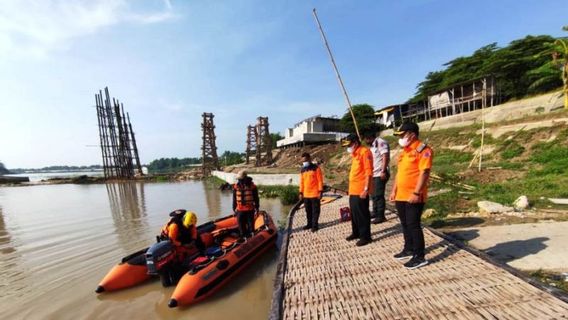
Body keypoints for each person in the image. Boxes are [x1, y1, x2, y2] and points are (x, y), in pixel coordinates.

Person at [389, 122, 433, 270]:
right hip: (401, 194)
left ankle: (419, 256)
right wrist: (393, 190)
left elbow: (424, 173)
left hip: (413, 195)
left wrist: (416, 192)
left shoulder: (423, 150)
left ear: (412, 134)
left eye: (402, 135)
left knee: (414, 225)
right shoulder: (404, 151)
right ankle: (408, 248)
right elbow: (399, 173)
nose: (400, 138)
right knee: (405, 223)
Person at [342, 133, 374, 247]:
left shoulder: (364, 152)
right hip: (353, 190)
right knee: (354, 213)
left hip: (361, 190)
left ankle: (366, 236)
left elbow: (368, 172)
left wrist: (366, 189)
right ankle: (356, 232)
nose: (348, 147)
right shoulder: (355, 154)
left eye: (349, 145)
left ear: (355, 143)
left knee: (362, 214)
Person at [362, 130, 390, 224]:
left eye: (366, 139)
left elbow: (385, 156)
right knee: (373, 195)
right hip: (374, 174)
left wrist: (383, 171)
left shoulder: (380, 142)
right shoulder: (372, 145)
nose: (365, 141)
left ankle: (381, 216)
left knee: (378, 196)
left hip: (380, 173)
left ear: (369, 137)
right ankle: (375, 212)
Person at [299, 152, 324, 232]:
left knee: (315, 211)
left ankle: (315, 225)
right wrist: (300, 192)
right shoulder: (303, 170)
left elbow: (320, 181)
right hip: (306, 195)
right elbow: (301, 183)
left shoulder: (316, 168)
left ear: (309, 159)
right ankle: (309, 224)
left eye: (305, 160)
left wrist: (320, 192)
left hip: (315, 194)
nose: (304, 162)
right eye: (303, 161)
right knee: (308, 211)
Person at [232, 170, 260, 239]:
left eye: (240, 179)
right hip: (240, 210)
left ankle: (252, 239)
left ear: (245, 178)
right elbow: (234, 199)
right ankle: (243, 238)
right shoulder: (236, 187)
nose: (239, 181)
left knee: (251, 227)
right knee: (241, 227)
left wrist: (257, 207)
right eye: (238, 179)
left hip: (250, 210)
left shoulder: (253, 186)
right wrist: (234, 208)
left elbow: (256, 198)